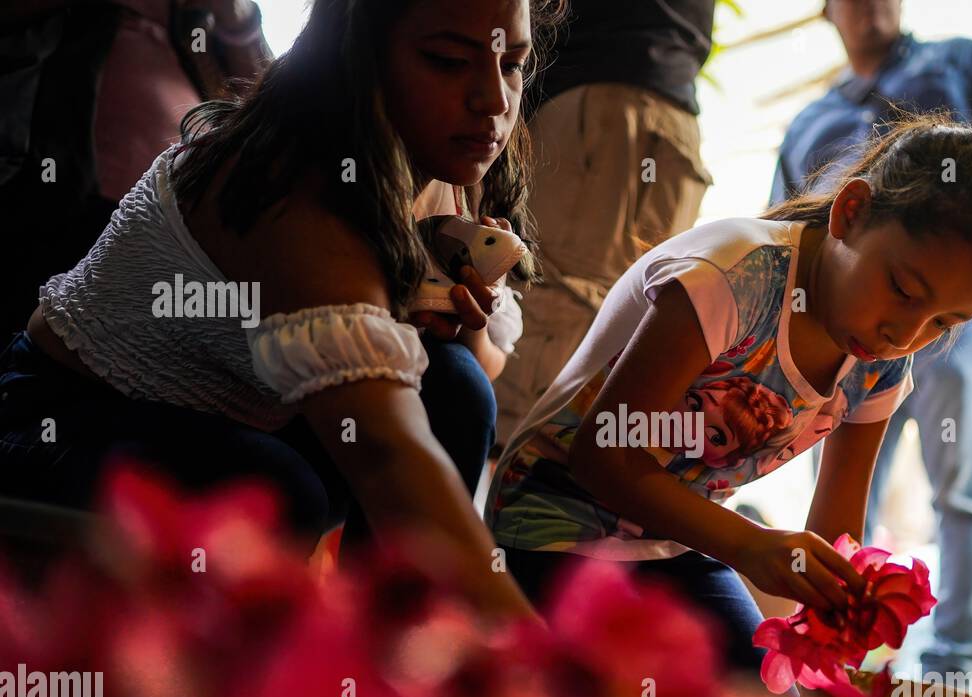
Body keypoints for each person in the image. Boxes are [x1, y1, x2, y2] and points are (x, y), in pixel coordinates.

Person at [0, 0, 570, 621]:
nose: (494, 99)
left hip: (237, 417)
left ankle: (386, 649)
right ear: (359, 60)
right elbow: (385, 454)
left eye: (511, 63)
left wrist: (458, 320)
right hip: (56, 419)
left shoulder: (444, 163)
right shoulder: (294, 191)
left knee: (457, 388)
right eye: (447, 61)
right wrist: (529, 658)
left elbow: (478, 372)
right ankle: (204, 690)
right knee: (273, 489)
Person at [488, 117, 972, 671]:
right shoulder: (733, 276)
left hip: (675, 549)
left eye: (943, 323)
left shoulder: (879, 367)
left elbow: (837, 534)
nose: (904, 335)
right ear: (851, 212)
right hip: (547, 526)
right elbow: (602, 458)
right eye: (901, 289)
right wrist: (753, 547)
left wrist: (832, 636)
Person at [771, 0, 972, 680]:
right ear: (827, 11)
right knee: (838, 477)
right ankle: (832, 639)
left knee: (962, 481)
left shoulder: (965, 60)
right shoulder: (810, 120)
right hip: (845, 326)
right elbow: (788, 225)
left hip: (960, 327)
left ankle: (952, 663)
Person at [491, 0, 715, 446]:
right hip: (669, 114)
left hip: (599, 102)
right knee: (624, 320)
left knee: (559, 302)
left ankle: (502, 498)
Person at [0, 0, 272, 338]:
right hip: (71, 205)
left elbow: (262, 105)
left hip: (187, 225)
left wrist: (238, 18)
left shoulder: (196, 19)